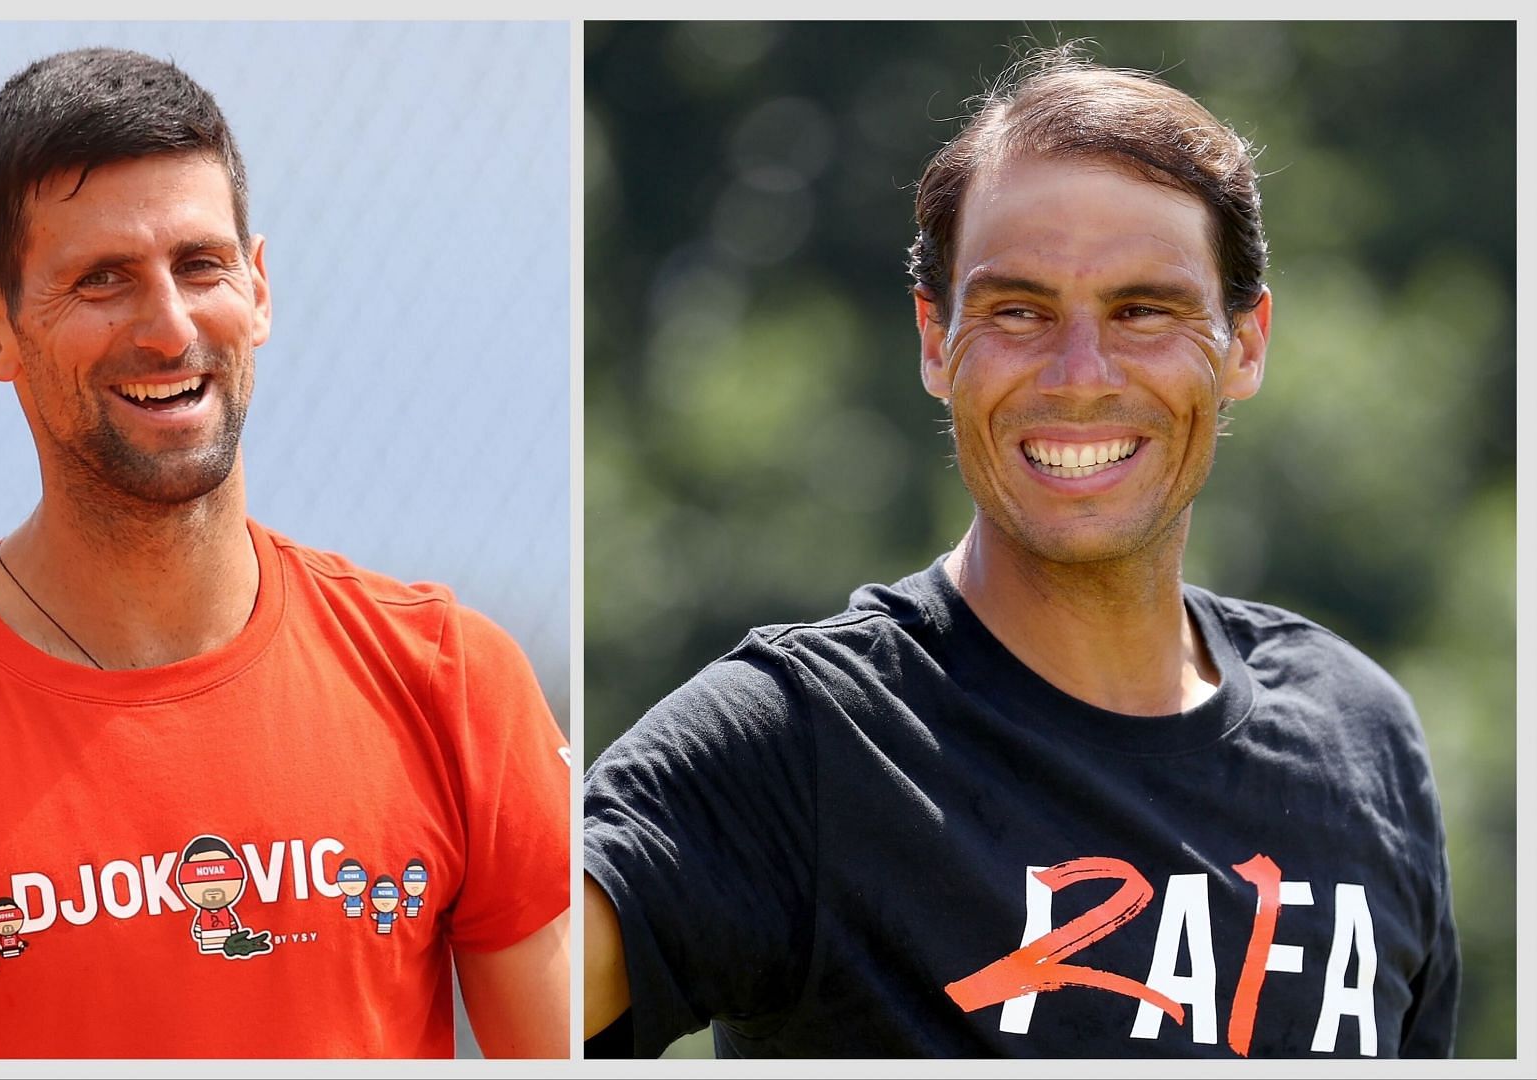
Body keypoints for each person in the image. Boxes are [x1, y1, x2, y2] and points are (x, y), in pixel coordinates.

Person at [0, 46, 569, 1059]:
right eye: (102, 280)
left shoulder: (454, 682)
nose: (169, 326)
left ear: (261, 288)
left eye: (201, 266)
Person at [583, 48, 1458, 1059]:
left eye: (1143, 310)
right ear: (933, 339)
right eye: (1017, 311)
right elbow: (490, 1001)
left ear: (1245, 344)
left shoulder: (1363, 736)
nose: (1080, 376)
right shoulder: (805, 744)